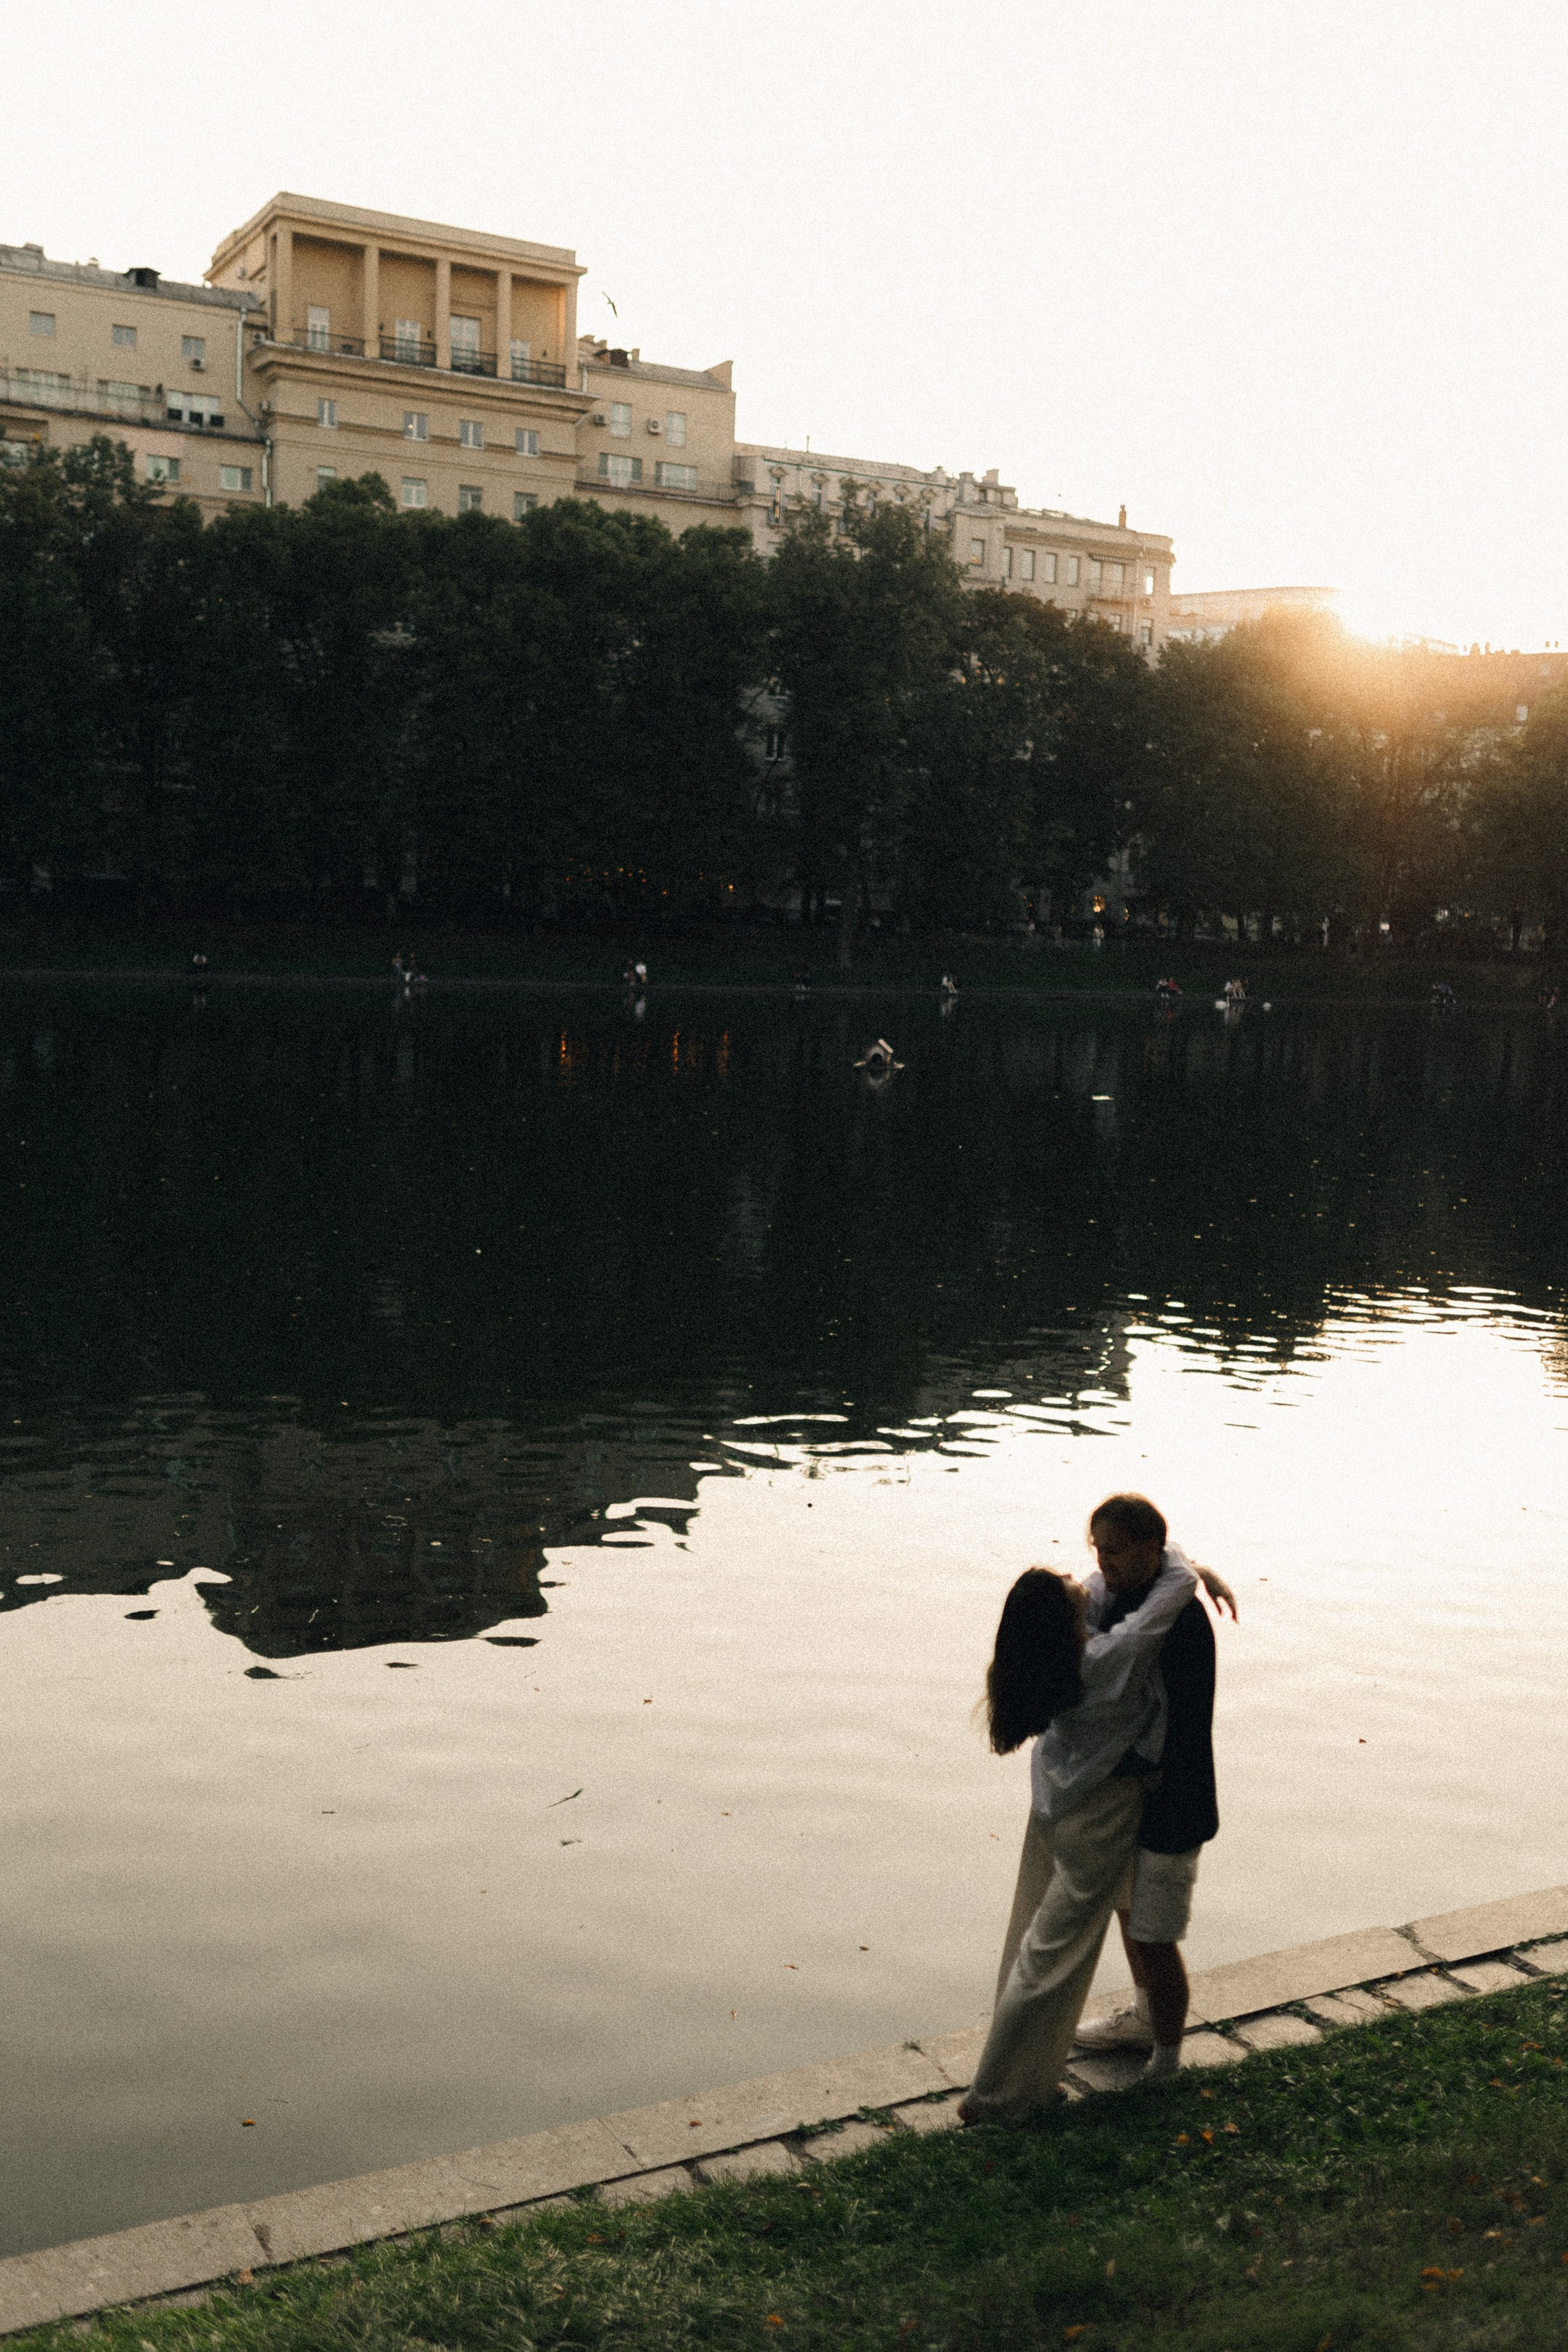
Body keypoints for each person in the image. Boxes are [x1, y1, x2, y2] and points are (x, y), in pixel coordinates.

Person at [958, 1498, 1231, 2124]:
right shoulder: (1105, 1656)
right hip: (1098, 1814)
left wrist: (1190, 1566)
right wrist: (1188, 1569)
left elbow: (1116, 1595)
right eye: (1093, 1557)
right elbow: (1159, 1603)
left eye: (1106, 1552)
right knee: (1052, 1952)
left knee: (1043, 1931)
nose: (1093, 1571)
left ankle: (1036, 2067)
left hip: (1064, 1805)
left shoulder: (1053, 1649)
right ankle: (999, 2093)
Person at [1072, 1503, 1228, 2077]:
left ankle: (1165, 2062)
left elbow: (1174, 1725)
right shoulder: (1133, 1596)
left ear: (1146, 1550)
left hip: (1174, 1801)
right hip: (1141, 1795)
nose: (1100, 1561)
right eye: (1097, 1548)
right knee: (1128, 1910)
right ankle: (1143, 2019)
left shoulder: (1177, 1626)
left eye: (1111, 1549)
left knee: (1155, 1934)